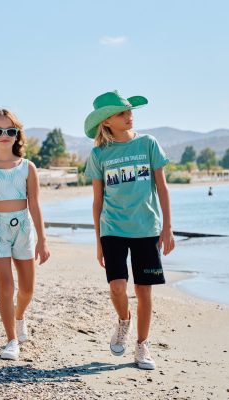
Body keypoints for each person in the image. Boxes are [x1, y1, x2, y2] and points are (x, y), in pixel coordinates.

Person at [84, 91, 175, 370]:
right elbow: (97, 201)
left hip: (146, 228)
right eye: (121, 113)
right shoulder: (99, 154)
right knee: (117, 287)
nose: (129, 116)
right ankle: (124, 321)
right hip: (112, 228)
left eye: (129, 111)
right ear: (106, 121)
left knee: (144, 290)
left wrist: (167, 228)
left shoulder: (148, 143)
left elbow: (162, 188)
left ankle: (142, 346)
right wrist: (98, 242)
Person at [0, 109, 50, 361]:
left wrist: (42, 240)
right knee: (6, 287)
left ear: (17, 135)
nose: (4, 135)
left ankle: (19, 317)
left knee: (27, 289)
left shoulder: (28, 167)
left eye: (10, 131)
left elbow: (35, 204)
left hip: (23, 229)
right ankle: (11, 340)